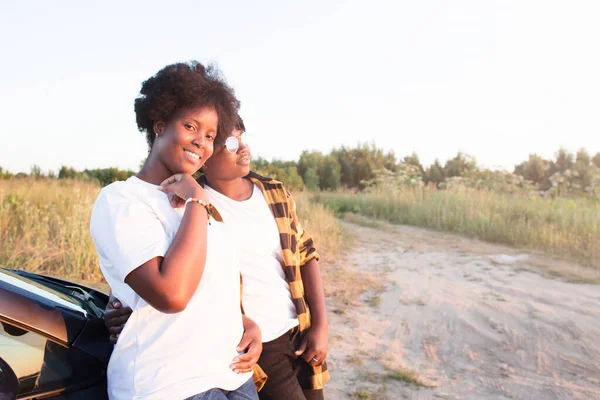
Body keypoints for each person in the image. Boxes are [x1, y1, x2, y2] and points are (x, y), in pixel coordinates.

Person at [106, 116, 330, 399]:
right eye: (231, 143)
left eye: (243, 138)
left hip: (296, 326)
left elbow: (305, 252)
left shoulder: (274, 192)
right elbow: (152, 257)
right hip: (253, 341)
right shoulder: (189, 202)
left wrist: (320, 326)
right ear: (206, 160)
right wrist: (116, 304)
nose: (244, 149)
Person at [90, 61, 261, 400]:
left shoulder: (197, 202)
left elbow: (212, 281)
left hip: (231, 374)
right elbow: (172, 295)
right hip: (169, 384)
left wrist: (244, 322)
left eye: (210, 136)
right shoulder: (123, 199)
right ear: (159, 124)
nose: (201, 142)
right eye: (190, 126)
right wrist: (197, 200)